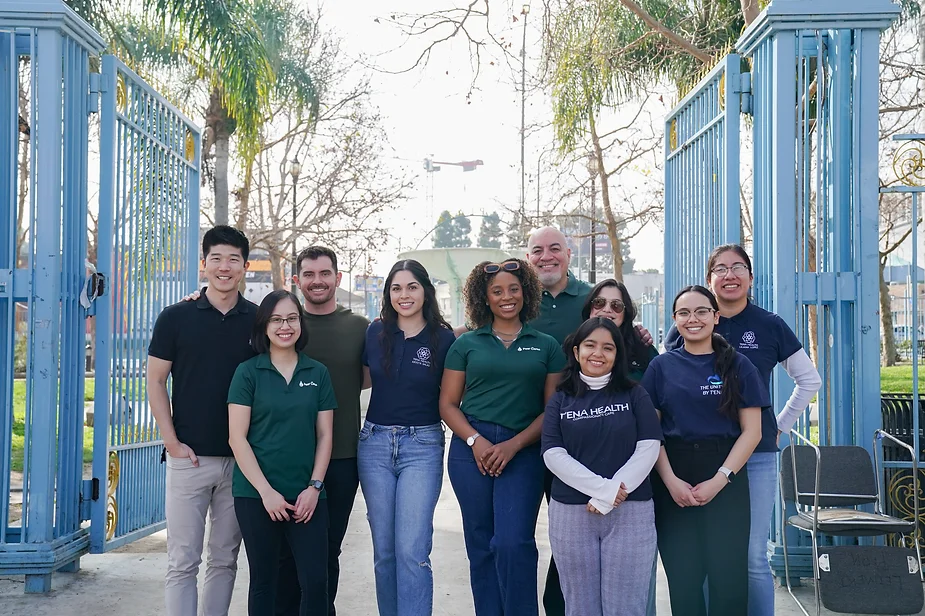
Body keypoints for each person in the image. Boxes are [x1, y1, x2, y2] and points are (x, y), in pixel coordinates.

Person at [664, 245, 821, 616]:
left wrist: (779, 425)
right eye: (720, 268)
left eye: (738, 267)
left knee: (751, 556)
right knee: (704, 554)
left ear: (750, 278)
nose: (729, 275)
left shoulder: (769, 324)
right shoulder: (686, 325)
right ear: (709, 280)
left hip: (756, 455)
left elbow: (809, 380)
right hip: (698, 456)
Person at [440, 258, 565, 616]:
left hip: (523, 450)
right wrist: (476, 442)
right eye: (497, 291)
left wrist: (514, 444)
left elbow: (551, 410)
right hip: (470, 451)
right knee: (481, 547)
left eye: (514, 289)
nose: (506, 297)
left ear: (526, 293)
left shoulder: (546, 345)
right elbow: (448, 404)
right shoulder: (466, 343)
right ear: (485, 297)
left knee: (513, 543)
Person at [147, 225, 255, 616]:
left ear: (244, 266)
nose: (224, 268)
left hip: (241, 461)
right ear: (203, 264)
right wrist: (172, 442)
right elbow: (156, 380)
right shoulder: (175, 317)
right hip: (188, 457)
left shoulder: (258, 323)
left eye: (233, 260)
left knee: (225, 559)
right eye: (216, 259)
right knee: (182, 561)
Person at [641, 285, 767, 615]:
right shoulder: (660, 367)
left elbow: (752, 432)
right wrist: (669, 481)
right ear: (674, 320)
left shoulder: (738, 366)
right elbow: (650, 433)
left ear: (715, 317)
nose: (692, 319)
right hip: (673, 474)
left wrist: (720, 479)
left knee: (729, 581)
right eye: (684, 313)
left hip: (725, 475)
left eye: (701, 311)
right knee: (684, 581)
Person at [542, 317, 661, 616]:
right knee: (580, 607)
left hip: (631, 511)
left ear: (618, 355)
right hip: (572, 512)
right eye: (590, 345)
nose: (598, 353)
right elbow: (553, 454)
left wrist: (612, 494)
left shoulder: (635, 394)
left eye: (608, 347)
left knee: (626, 607)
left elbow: (649, 447)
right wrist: (605, 490)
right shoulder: (561, 398)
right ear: (576, 350)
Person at [228, 290, 337, 616]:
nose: (284, 326)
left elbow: (325, 435)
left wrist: (314, 488)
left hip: (308, 495)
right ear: (264, 326)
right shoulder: (248, 372)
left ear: (300, 324)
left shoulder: (317, 373)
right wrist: (266, 493)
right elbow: (237, 438)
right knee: (265, 581)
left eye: (291, 318)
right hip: (256, 496)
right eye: (276, 319)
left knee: (317, 581)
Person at [358, 260, 456, 616]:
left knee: (412, 551)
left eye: (412, 287)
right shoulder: (374, 333)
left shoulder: (444, 338)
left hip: (422, 446)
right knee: (384, 553)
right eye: (396, 288)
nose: (404, 295)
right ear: (388, 294)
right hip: (374, 445)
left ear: (425, 290)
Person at [285, 246, 370, 616]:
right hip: (286, 458)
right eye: (308, 274)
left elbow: (369, 377)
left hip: (342, 455)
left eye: (324, 274)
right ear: (296, 280)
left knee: (328, 549)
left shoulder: (359, 327)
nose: (316, 281)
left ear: (338, 277)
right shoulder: (284, 324)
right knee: (288, 552)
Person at [581, 278, 658, 381]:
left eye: (616, 305)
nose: (607, 309)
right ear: (589, 308)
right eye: (599, 302)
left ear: (625, 313)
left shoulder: (643, 348)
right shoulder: (572, 346)